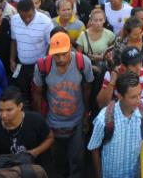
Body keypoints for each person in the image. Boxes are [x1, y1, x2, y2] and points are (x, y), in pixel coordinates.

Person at [87, 72, 143, 178]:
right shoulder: (104, 118)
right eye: (133, 97)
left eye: (139, 94)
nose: (138, 100)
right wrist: (99, 175)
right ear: (119, 96)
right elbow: (94, 147)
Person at [32, 32, 94, 178]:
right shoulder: (42, 66)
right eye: (56, 55)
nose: (60, 59)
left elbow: (87, 88)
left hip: (77, 120)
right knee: (58, 161)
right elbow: (37, 94)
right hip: (52, 122)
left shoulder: (82, 62)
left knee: (77, 159)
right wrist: (41, 121)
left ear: (71, 48)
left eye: (64, 54)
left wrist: (86, 115)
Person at [0, 87, 54, 168]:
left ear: (20, 106)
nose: (3, 115)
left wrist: (35, 152)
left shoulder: (36, 120)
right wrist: (2, 163)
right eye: (0, 110)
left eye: (9, 110)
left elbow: (50, 138)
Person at [10, 0, 54, 104]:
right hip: (22, 66)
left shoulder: (46, 22)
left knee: (39, 94)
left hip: (39, 66)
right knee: (24, 95)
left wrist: (46, 63)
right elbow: (14, 40)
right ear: (18, 12)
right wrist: (11, 59)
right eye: (23, 17)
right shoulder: (14, 20)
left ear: (34, 10)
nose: (27, 19)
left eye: (29, 16)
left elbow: (51, 44)